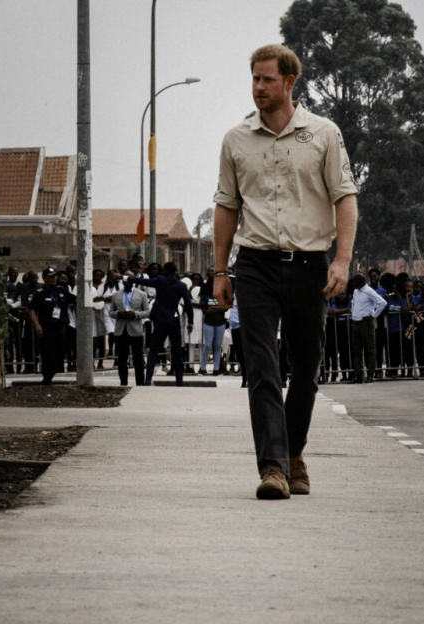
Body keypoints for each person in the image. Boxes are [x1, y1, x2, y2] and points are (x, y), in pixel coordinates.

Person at [212, 44, 359, 499]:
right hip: (255, 265)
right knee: (261, 367)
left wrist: (342, 260)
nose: (258, 87)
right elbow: (226, 207)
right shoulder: (236, 139)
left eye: (268, 79)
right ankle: (273, 468)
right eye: (254, 78)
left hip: (309, 265)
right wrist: (219, 271)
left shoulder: (324, 134)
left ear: (289, 82)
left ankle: (294, 454)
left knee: (307, 370)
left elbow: (345, 197)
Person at [127, 262, 194, 386]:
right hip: (174, 319)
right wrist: (190, 322)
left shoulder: (160, 280)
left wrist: (126, 278)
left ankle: (148, 379)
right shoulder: (181, 285)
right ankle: (179, 381)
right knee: (177, 352)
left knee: (153, 351)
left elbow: (144, 282)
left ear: (166, 270)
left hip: (160, 320)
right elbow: (188, 305)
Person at [27, 267, 71, 385]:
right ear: (45, 278)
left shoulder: (61, 290)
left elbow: (75, 299)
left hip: (60, 327)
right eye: (51, 277)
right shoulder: (40, 293)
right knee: (48, 355)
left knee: (60, 354)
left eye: (55, 276)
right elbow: (31, 309)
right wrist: (37, 325)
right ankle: (47, 379)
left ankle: (51, 374)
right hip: (47, 328)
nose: (54, 278)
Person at [108, 274, 149, 386]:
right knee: (122, 359)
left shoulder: (142, 294)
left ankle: (140, 383)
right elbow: (111, 312)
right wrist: (118, 314)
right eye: (125, 281)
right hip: (121, 330)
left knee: (138, 359)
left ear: (133, 282)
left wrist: (135, 314)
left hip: (136, 330)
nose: (127, 283)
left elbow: (147, 312)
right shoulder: (116, 295)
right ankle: (123, 383)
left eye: (129, 281)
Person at [349, 274, 387, 383]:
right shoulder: (356, 291)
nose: (353, 284)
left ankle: (370, 374)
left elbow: (382, 302)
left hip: (366, 322)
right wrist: (353, 313)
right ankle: (358, 375)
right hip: (356, 322)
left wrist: (373, 315)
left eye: (355, 282)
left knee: (370, 349)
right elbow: (354, 303)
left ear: (361, 282)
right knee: (357, 350)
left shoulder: (369, 291)